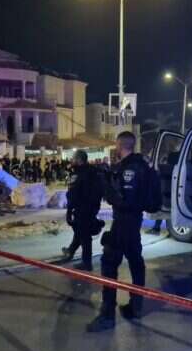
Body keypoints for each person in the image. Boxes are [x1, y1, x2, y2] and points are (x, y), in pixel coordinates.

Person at [87, 131, 148, 332]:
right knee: (136, 262)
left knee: (109, 264)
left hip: (124, 222)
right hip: (135, 222)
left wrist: (106, 186)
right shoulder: (141, 165)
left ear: (120, 145)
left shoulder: (129, 169)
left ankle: (107, 316)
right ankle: (136, 306)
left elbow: (123, 200)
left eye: (116, 145)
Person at [61, 150, 102, 271]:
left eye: (73, 158)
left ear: (79, 160)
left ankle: (87, 262)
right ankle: (71, 250)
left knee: (84, 235)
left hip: (82, 208)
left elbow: (73, 194)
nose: (71, 160)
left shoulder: (78, 174)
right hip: (91, 207)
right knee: (81, 231)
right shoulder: (93, 171)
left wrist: (69, 210)